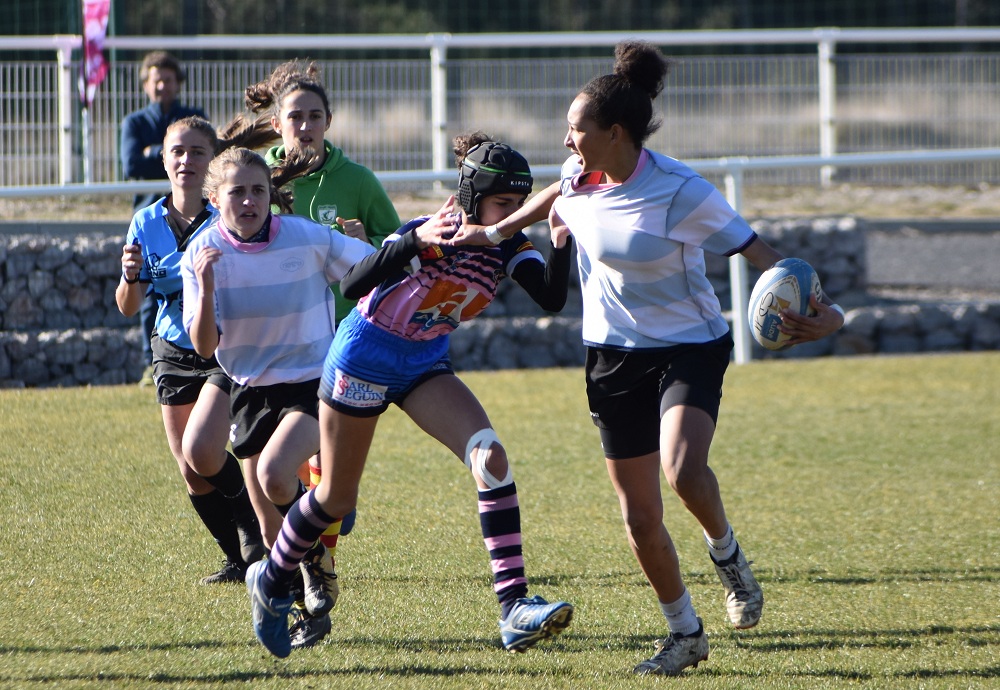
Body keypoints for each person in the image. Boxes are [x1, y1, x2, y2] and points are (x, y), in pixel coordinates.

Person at [448, 41, 845, 676]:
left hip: (689, 346)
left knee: (684, 470)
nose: (567, 138)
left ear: (615, 133)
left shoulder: (681, 192)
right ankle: (685, 633)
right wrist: (492, 233)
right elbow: (552, 198)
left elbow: (771, 259)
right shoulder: (577, 180)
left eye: (578, 129)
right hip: (610, 359)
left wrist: (831, 314)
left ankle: (728, 557)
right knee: (639, 517)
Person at [243, 133, 576, 659]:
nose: (513, 216)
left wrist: (559, 238)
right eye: (503, 205)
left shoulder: (509, 243)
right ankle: (273, 577)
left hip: (424, 363)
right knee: (336, 499)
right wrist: (415, 242)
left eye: (519, 205)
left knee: (490, 456)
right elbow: (353, 284)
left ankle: (513, 608)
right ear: (471, 198)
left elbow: (552, 297)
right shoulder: (435, 230)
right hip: (363, 359)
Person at [180, 146, 376, 650]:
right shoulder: (201, 254)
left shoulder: (305, 238)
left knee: (273, 474)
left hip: (314, 380)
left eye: (258, 190)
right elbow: (204, 347)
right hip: (248, 387)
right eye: (237, 192)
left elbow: (370, 271)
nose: (249, 201)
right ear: (215, 197)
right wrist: (203, 283)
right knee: (271, 533)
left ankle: (320, 532)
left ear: (271, 194)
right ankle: (311, 591)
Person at [246, 57, 398, 641]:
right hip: (273, 353)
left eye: (314, 116)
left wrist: (372, 247)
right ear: (279, 124)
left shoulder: (357, 181)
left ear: (328, 121)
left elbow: (400, 248)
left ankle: (315, 567)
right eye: (294, 117)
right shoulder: (263, 181)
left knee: (312, 478)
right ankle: (316, 563)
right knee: (284, 481)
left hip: (344, 347)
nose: (304, 126)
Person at [114, 116, 269, 584]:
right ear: (163, 160)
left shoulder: (226, 215)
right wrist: (128, 274)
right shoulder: (145, 221)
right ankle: (240, 560)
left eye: (197, 151)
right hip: (171, 349)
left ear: (213, 159)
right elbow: (128, 306)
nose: (186, 160)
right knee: (190, 468)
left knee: (204, 450)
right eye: (177, 152)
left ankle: (251, 525)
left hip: (223, 348)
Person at [120, 51, 207, 387]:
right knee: (149, 291)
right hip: (153, 213)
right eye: (155, 79)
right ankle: (151, 360)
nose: (161, 85)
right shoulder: (134, 122)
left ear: (177, 83)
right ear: (145, 84)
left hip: (195, 212)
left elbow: (213, 154)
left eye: (168, 79)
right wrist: (161, 151)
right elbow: (130, 165)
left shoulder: (195, 116)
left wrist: (152, 152)